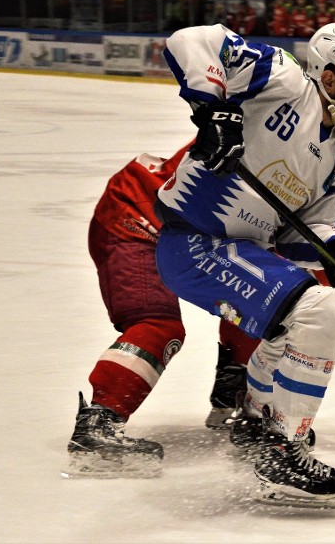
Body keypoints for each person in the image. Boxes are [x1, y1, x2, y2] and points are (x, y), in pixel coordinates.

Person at [151, 22, 335, 509]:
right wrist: (213, 107)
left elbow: (306, 232)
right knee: (321, 313)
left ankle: (259, 420)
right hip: (194, 242)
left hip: (240, 251)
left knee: (299, 321)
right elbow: (190, 40)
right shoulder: (283, 81)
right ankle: (281, 453)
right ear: (331, 77)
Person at [62, 144, 262, 480]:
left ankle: (234, 382)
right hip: (136, 219)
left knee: (262, 288)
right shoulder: (276, 140)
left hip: (175, 225)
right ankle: (99, 423)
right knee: (156, 324)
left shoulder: (294, 145)